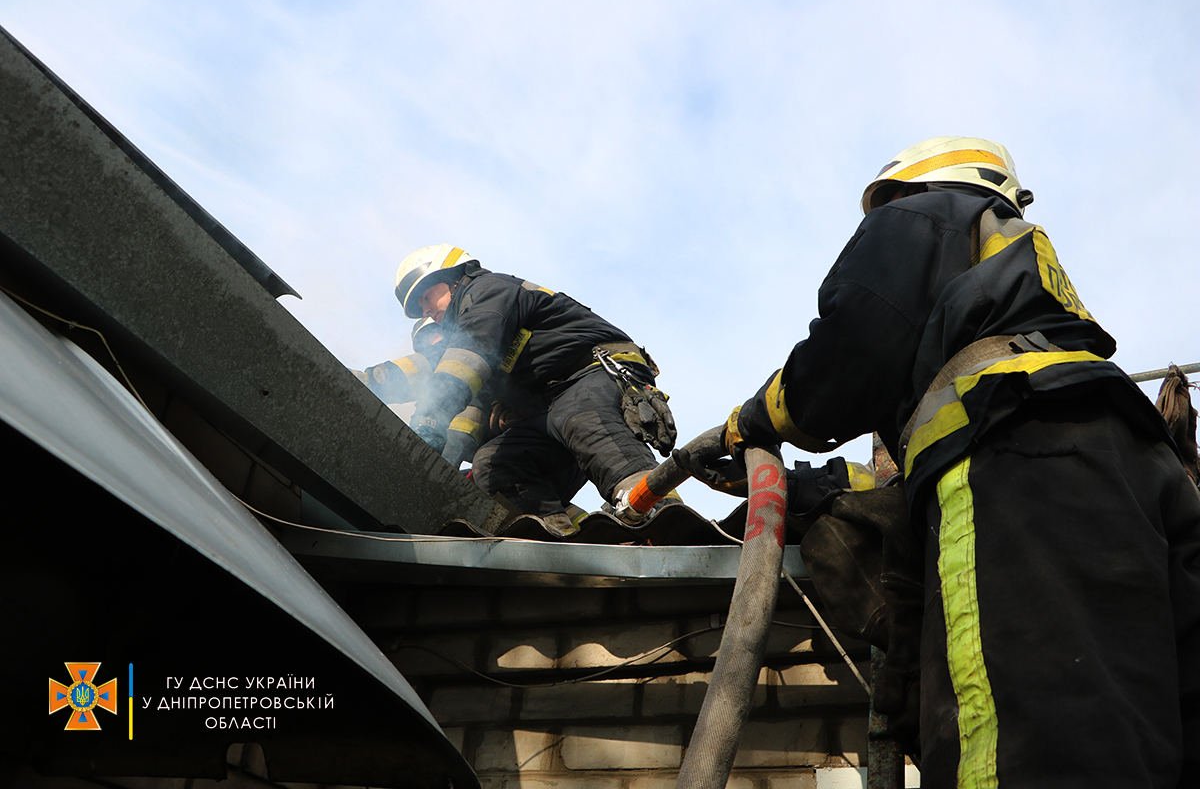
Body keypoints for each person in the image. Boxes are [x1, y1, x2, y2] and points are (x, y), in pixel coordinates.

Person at [684, 136, 1200, 787]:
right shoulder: (1027, 285)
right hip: (1138, 468)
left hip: (1016, 458)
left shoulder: (925, 210)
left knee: (1018, 746)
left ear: (911, 189)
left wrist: (759, 418)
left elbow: (857, 343)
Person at [394, 243, 677, 534]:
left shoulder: (487, 291)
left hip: (591, 372)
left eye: (426, 297)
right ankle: (561, 539)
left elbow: (464, 362)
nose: (426, 310)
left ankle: (667, 518)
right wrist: (431, 467)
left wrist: (430, 420)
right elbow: (460, 416)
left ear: (455, 276)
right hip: (551, 408)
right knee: (494, 464)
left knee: (581, 418)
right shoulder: (470, 328)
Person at [353, 317, 488, 468]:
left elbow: (402, 372)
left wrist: (365, 380)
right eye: (424, 341)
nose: (432, 344)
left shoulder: (448, 352)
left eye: (433, 335)